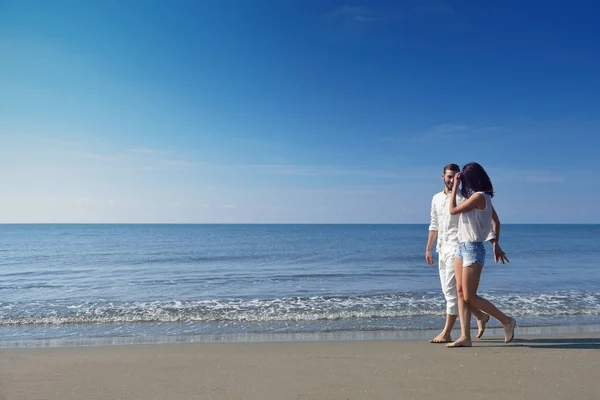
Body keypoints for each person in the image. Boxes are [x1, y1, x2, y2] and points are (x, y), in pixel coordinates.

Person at [426, 163, 501, 343]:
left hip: (458, 249)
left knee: (455, 293)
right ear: (442, 176)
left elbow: (482, 222)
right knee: (450, 292)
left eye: (455, 177)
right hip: (442, 250)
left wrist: (494, 242)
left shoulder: (466, 197)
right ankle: (481, 316)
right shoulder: (436, 198)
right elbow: (434, 224)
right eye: (448, 177)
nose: (452, 180)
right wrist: (429, 248)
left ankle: (447, 332)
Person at [446, 162, 515, 348]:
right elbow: (495, 223)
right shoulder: (480, 197)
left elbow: (452, 210)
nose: (462, 183)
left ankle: (506, 320)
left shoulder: (478, 197)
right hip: (461, 247)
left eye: (464, 180)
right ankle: (465, 337)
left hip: (472, 249)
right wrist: (495, 244)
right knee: (461, 294)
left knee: (470, 296)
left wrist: (454, 189)